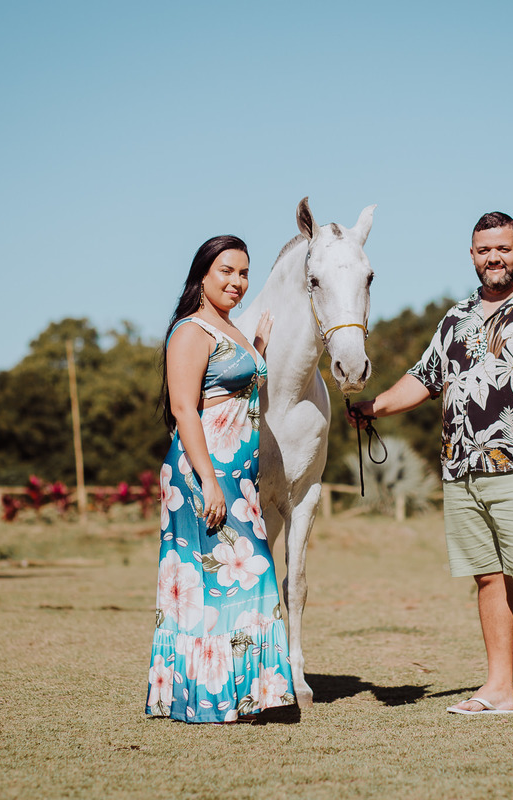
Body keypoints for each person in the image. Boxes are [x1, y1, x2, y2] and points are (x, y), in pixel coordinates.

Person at [348, 212, 513, 722]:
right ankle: (500, 688)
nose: (493, 258)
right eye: (484, 250)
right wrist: (374, 407)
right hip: (461, 472)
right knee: (487, 578)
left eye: (503, 248)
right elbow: (423, 378)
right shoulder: (454, 320)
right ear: (472, 255)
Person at [146, 235, 295, 723]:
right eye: (226, 271)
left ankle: (242, 697)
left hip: (239, 474)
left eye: (244, 272)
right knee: (226, 578)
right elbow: (184, 410)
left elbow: (232, 389)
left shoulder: (228, 328)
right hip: (203, 472)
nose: (237, 281)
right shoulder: (190, 331)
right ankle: (213, 698)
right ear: (202, 276)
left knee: (239, 580)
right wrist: (209, 481)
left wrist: (258, 351)